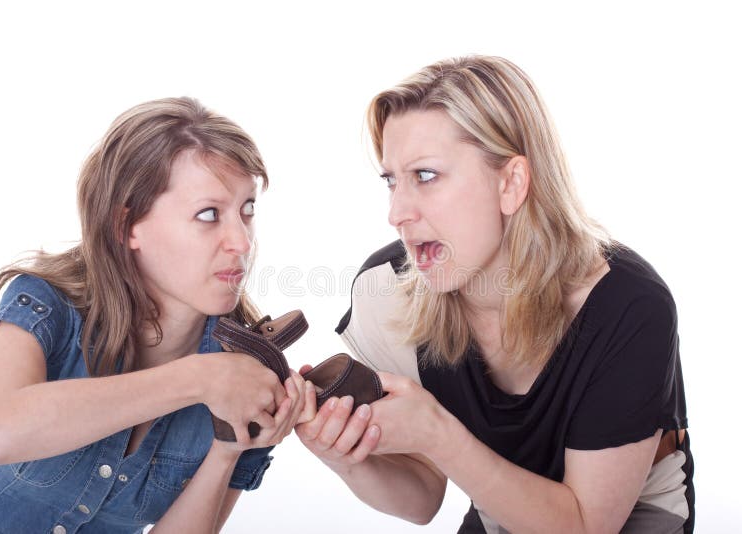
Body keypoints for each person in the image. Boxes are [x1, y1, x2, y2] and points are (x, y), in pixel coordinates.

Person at [295, 56, 694, 533]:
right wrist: (344, 453)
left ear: (511, 183)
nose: (396, 212)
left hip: (621, 515)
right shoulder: (387, 290)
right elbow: (421, 497)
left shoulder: (628, 306)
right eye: (391, 181)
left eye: (425, 175)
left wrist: (440, 435)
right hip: (498, 499)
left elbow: (585, 526)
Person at [0, 97, 309, 533]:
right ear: (126, 225)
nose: (242, 241)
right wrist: (198, 379)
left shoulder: (246, 375)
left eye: (247, 210)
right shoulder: (46, 305)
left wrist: (229, 449)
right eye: (209, 215)